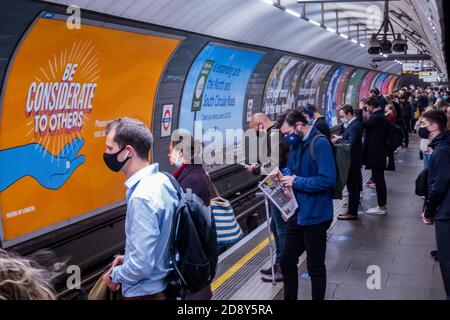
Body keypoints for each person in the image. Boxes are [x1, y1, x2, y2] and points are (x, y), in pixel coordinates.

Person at [102, 117, 179, 300]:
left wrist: (115, 275)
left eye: (110, 148)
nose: (106, 154)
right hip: (164, 287)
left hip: (145, 294)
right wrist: (128, 258)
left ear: (128, 151)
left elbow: (140, 266)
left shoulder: (142, 197)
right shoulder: (164, 181)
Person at [279, 110, 336, 300]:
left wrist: (296, 182)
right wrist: (284, 185)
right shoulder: (296, 145)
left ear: (299, 125)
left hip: (316, 215)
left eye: (287, 133)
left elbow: (327, 180)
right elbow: (292, 171)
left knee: (315, 266)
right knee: (286, 261)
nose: (286, 138)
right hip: (296, 213)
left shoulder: (320, 144)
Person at [245, 113, 290, 282]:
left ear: (261, 125)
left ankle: (284, 268)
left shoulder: (274, 136)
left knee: (281, 229)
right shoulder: (275, 134)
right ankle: (279, 264)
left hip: (278, 188)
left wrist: (255, 169)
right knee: (275, 227)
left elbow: (273, 164)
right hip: (276, 187)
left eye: (256, 130)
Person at [419, 110, 450, 300]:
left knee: (447, 260)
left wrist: (428, 211)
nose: (419, 127)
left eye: (423, 124)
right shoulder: (444, 146)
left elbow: (438, 187)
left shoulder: (442, 151)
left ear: (434, 126)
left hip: (446, 213)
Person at [333, 105, 363, 221]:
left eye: (343, 115)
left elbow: (351, 143)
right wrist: (341, 137)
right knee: (352, 187)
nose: (342, 118)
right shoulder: (353, 125)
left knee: (353, 188)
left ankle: (352, 212)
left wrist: (339, 141)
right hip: (353, 160)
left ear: (349, 114)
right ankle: (351, 210)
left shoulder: (354, 126)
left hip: (352, 161)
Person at [362, 97, 389, 215]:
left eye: (366, 106)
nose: (366, 109)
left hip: (376, 153)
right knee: (379, 179)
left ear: (371, 106)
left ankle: (381, 206)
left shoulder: (376, 117)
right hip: (380, 152)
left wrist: (361, 113)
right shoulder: (381, 116)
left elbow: (363, 124)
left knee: (379, 180)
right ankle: (381, 205)